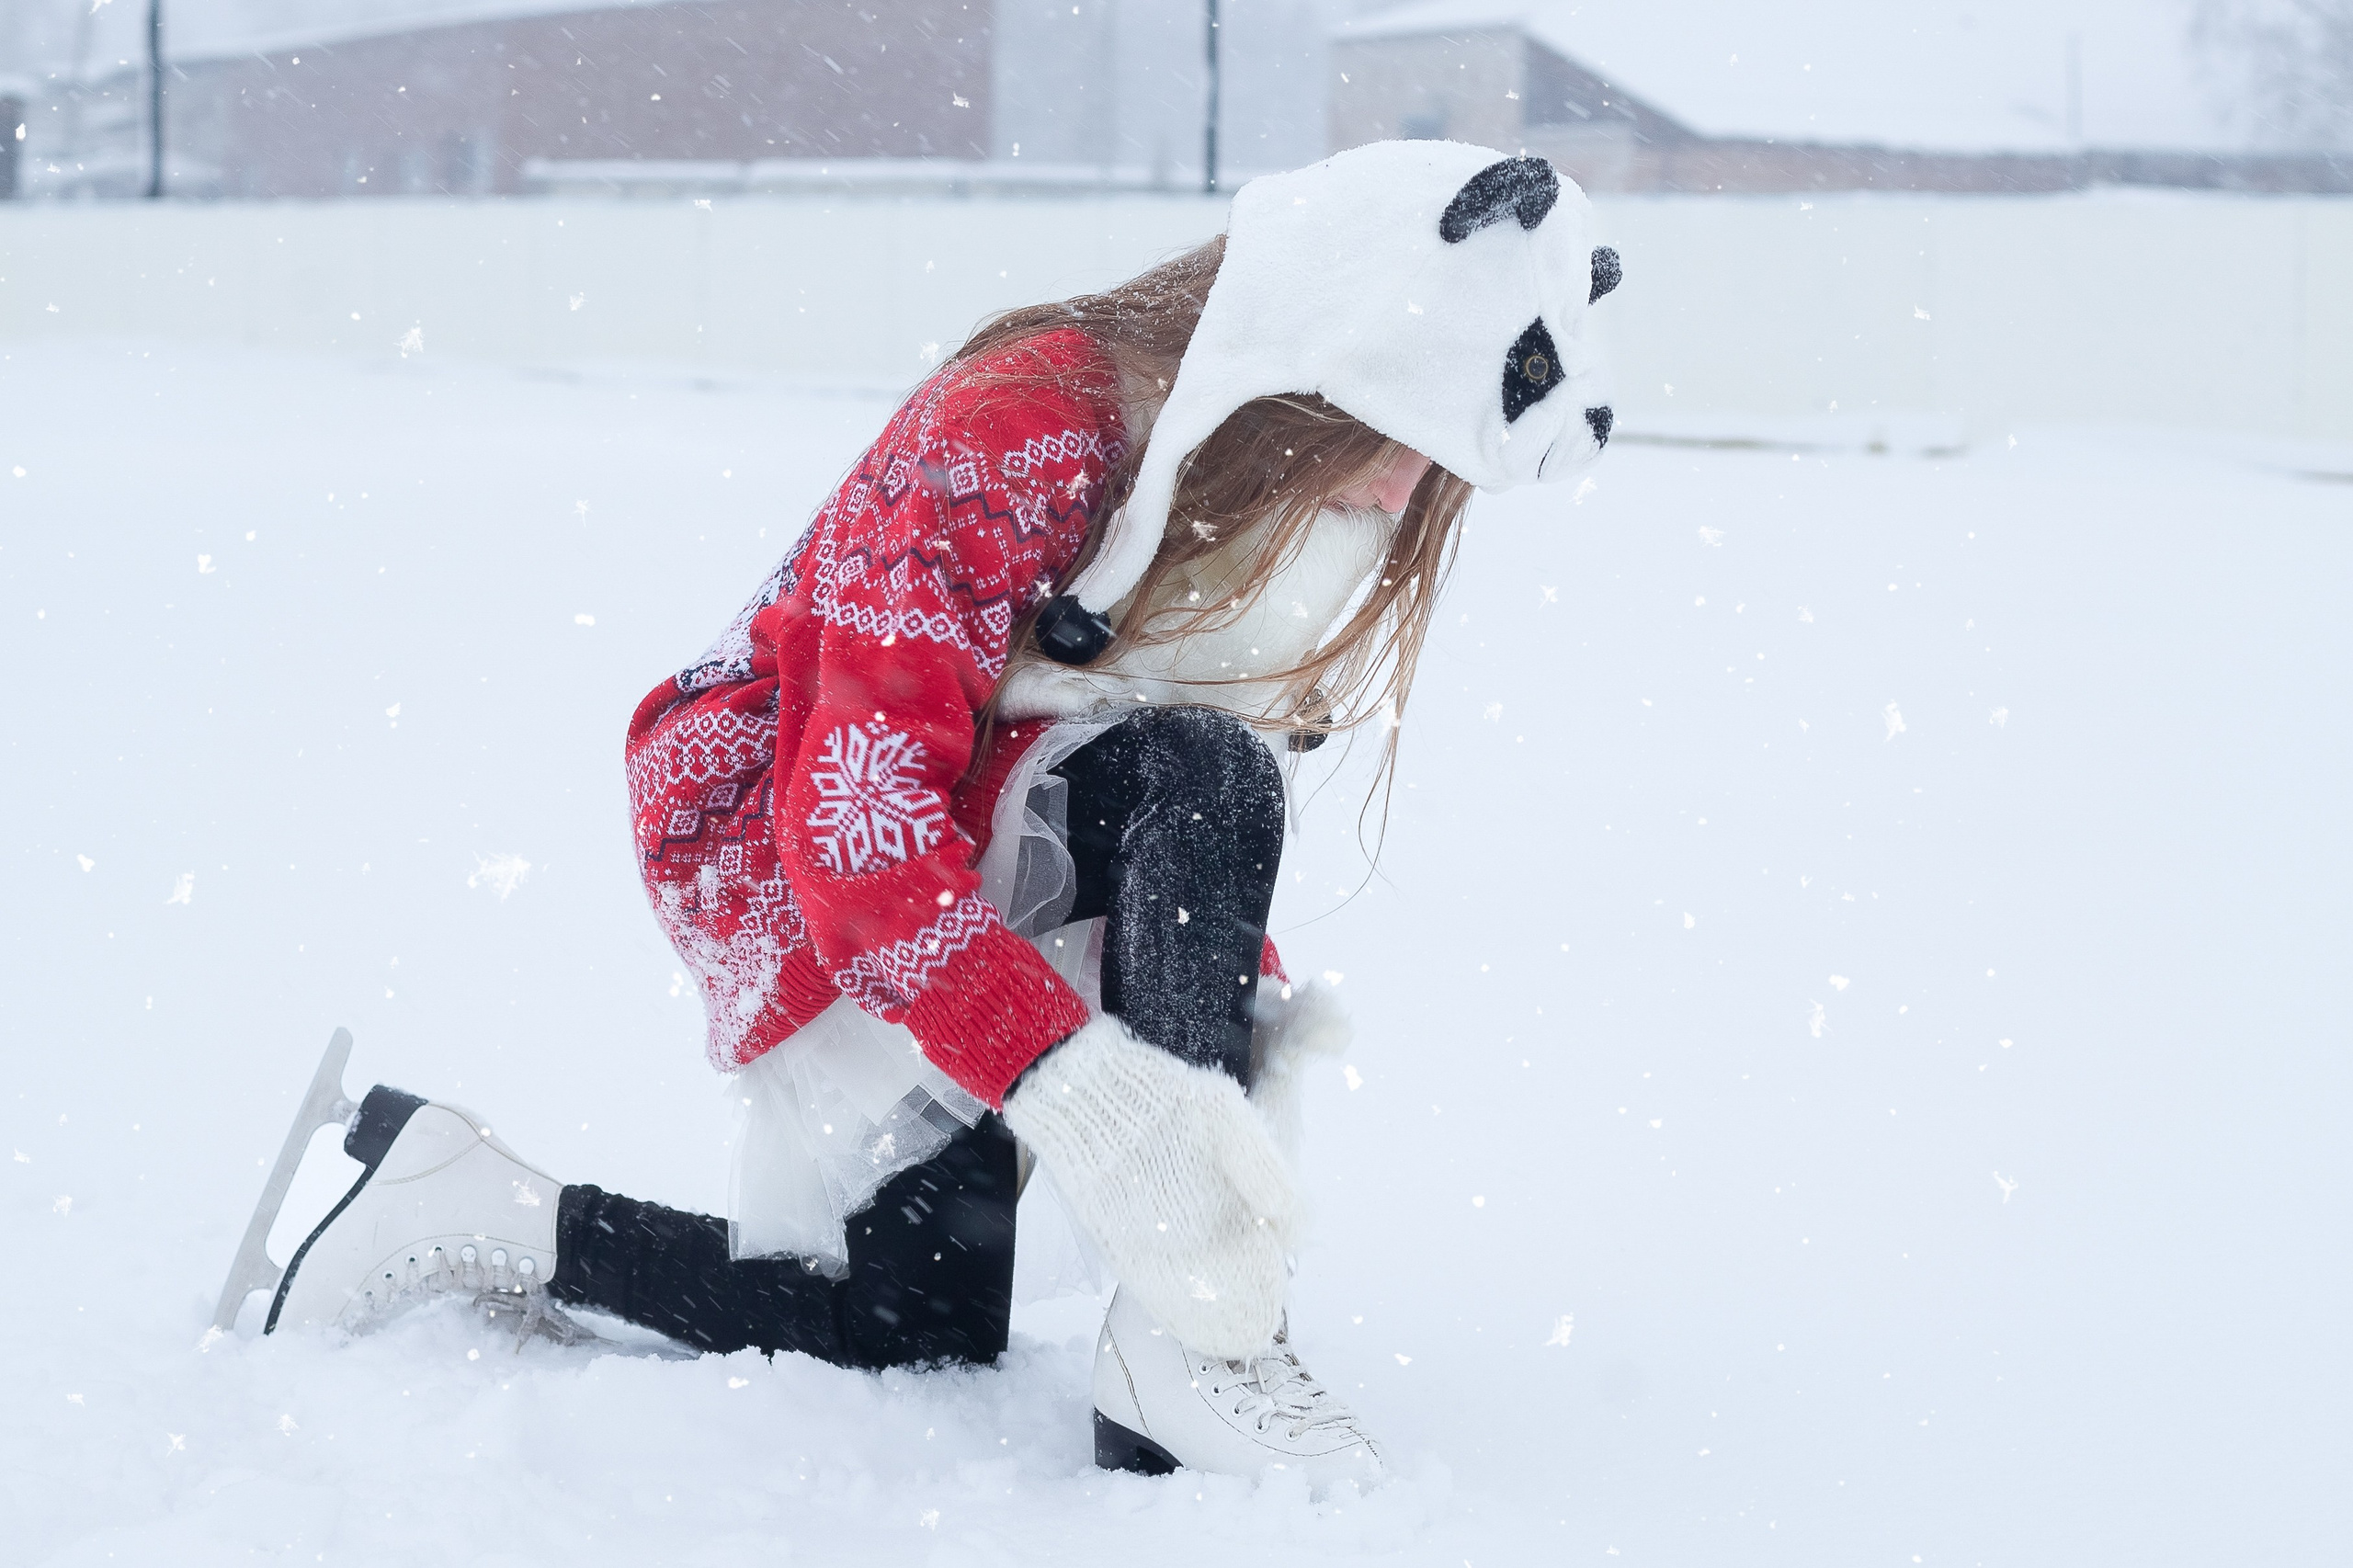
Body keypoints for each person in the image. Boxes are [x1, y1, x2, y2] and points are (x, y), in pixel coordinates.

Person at [237, 141, 1620, 1490]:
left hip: (982, 818)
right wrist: (1088, 1098)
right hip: (779, 823)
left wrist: (1219, 1063)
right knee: (1210, 768)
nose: (1401, 489)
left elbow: (1175, 849)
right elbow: (862, 821)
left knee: (917, 1334)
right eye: (1401, 438)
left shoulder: (1241, 467)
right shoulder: (1024, 423)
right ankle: (1192, 1351)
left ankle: (474, 1205)